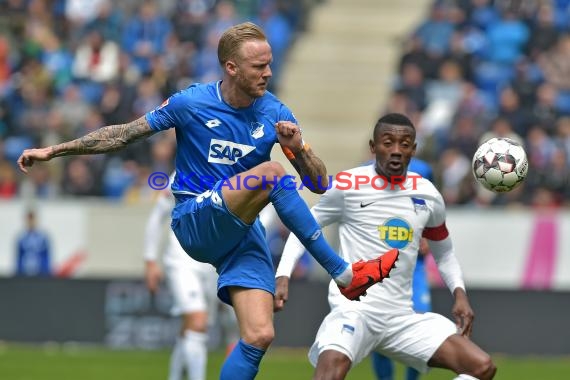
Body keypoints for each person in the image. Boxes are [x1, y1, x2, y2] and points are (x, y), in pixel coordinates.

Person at [17, 22, 399, 380]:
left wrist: (299, 148)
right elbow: (124, 134)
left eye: (269, 64)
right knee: (272, 172)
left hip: (240, 233)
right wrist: (54, 150)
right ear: (231, 67)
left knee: (259, 334)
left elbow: (318, 182)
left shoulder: (275, 113)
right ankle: (344, 273)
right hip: (195, 218)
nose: (267, 73)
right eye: (258, 66)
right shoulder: (191, 103)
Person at [274, 113, 497, 380]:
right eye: (388, 142)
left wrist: (459, 294)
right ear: (373, 147)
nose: (396, 151)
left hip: (401, 317)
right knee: (329, 372)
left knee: (482, 367)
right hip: (354, 310)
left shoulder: (427, 194)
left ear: (413, 150)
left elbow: (444, 252)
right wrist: (283, 274)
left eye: (404, 144)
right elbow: (304, 228)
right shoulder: (349, 184)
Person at [143, 180, 238, 380]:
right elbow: (157, 215)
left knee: (192, 326)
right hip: (181, 261)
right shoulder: (181, 173)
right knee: (198, 321)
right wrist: (150, 260)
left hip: (211, 264)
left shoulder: (226, 170)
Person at [370, 157, 434, 380]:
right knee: (379, 331)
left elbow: (432, 204)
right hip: (382, 267)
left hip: (414, 267)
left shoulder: (423, 170)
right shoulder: (363, 175)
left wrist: (426, 234)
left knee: (421, 330)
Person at [15, 210, 52, 277]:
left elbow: (46, 258)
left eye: (33, 219)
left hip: (40, 275)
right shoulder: (22, 239)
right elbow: (19, 259)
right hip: (25, 275)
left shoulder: (42, 239)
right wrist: (18, 274)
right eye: (29, 220)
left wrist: (46, 273)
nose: (31, 222)